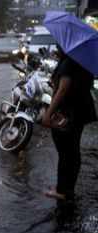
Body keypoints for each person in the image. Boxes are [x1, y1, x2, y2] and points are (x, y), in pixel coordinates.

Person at [42, 45, 97, 200]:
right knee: (73, 151)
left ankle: (62, 191)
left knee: (66, 152)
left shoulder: (68, 63)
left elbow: (63, 89)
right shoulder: (83, 61)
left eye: (58, 45)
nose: (56, 47)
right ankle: (68, 189)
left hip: (68, 112)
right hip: (81, 111)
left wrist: (48, 113)